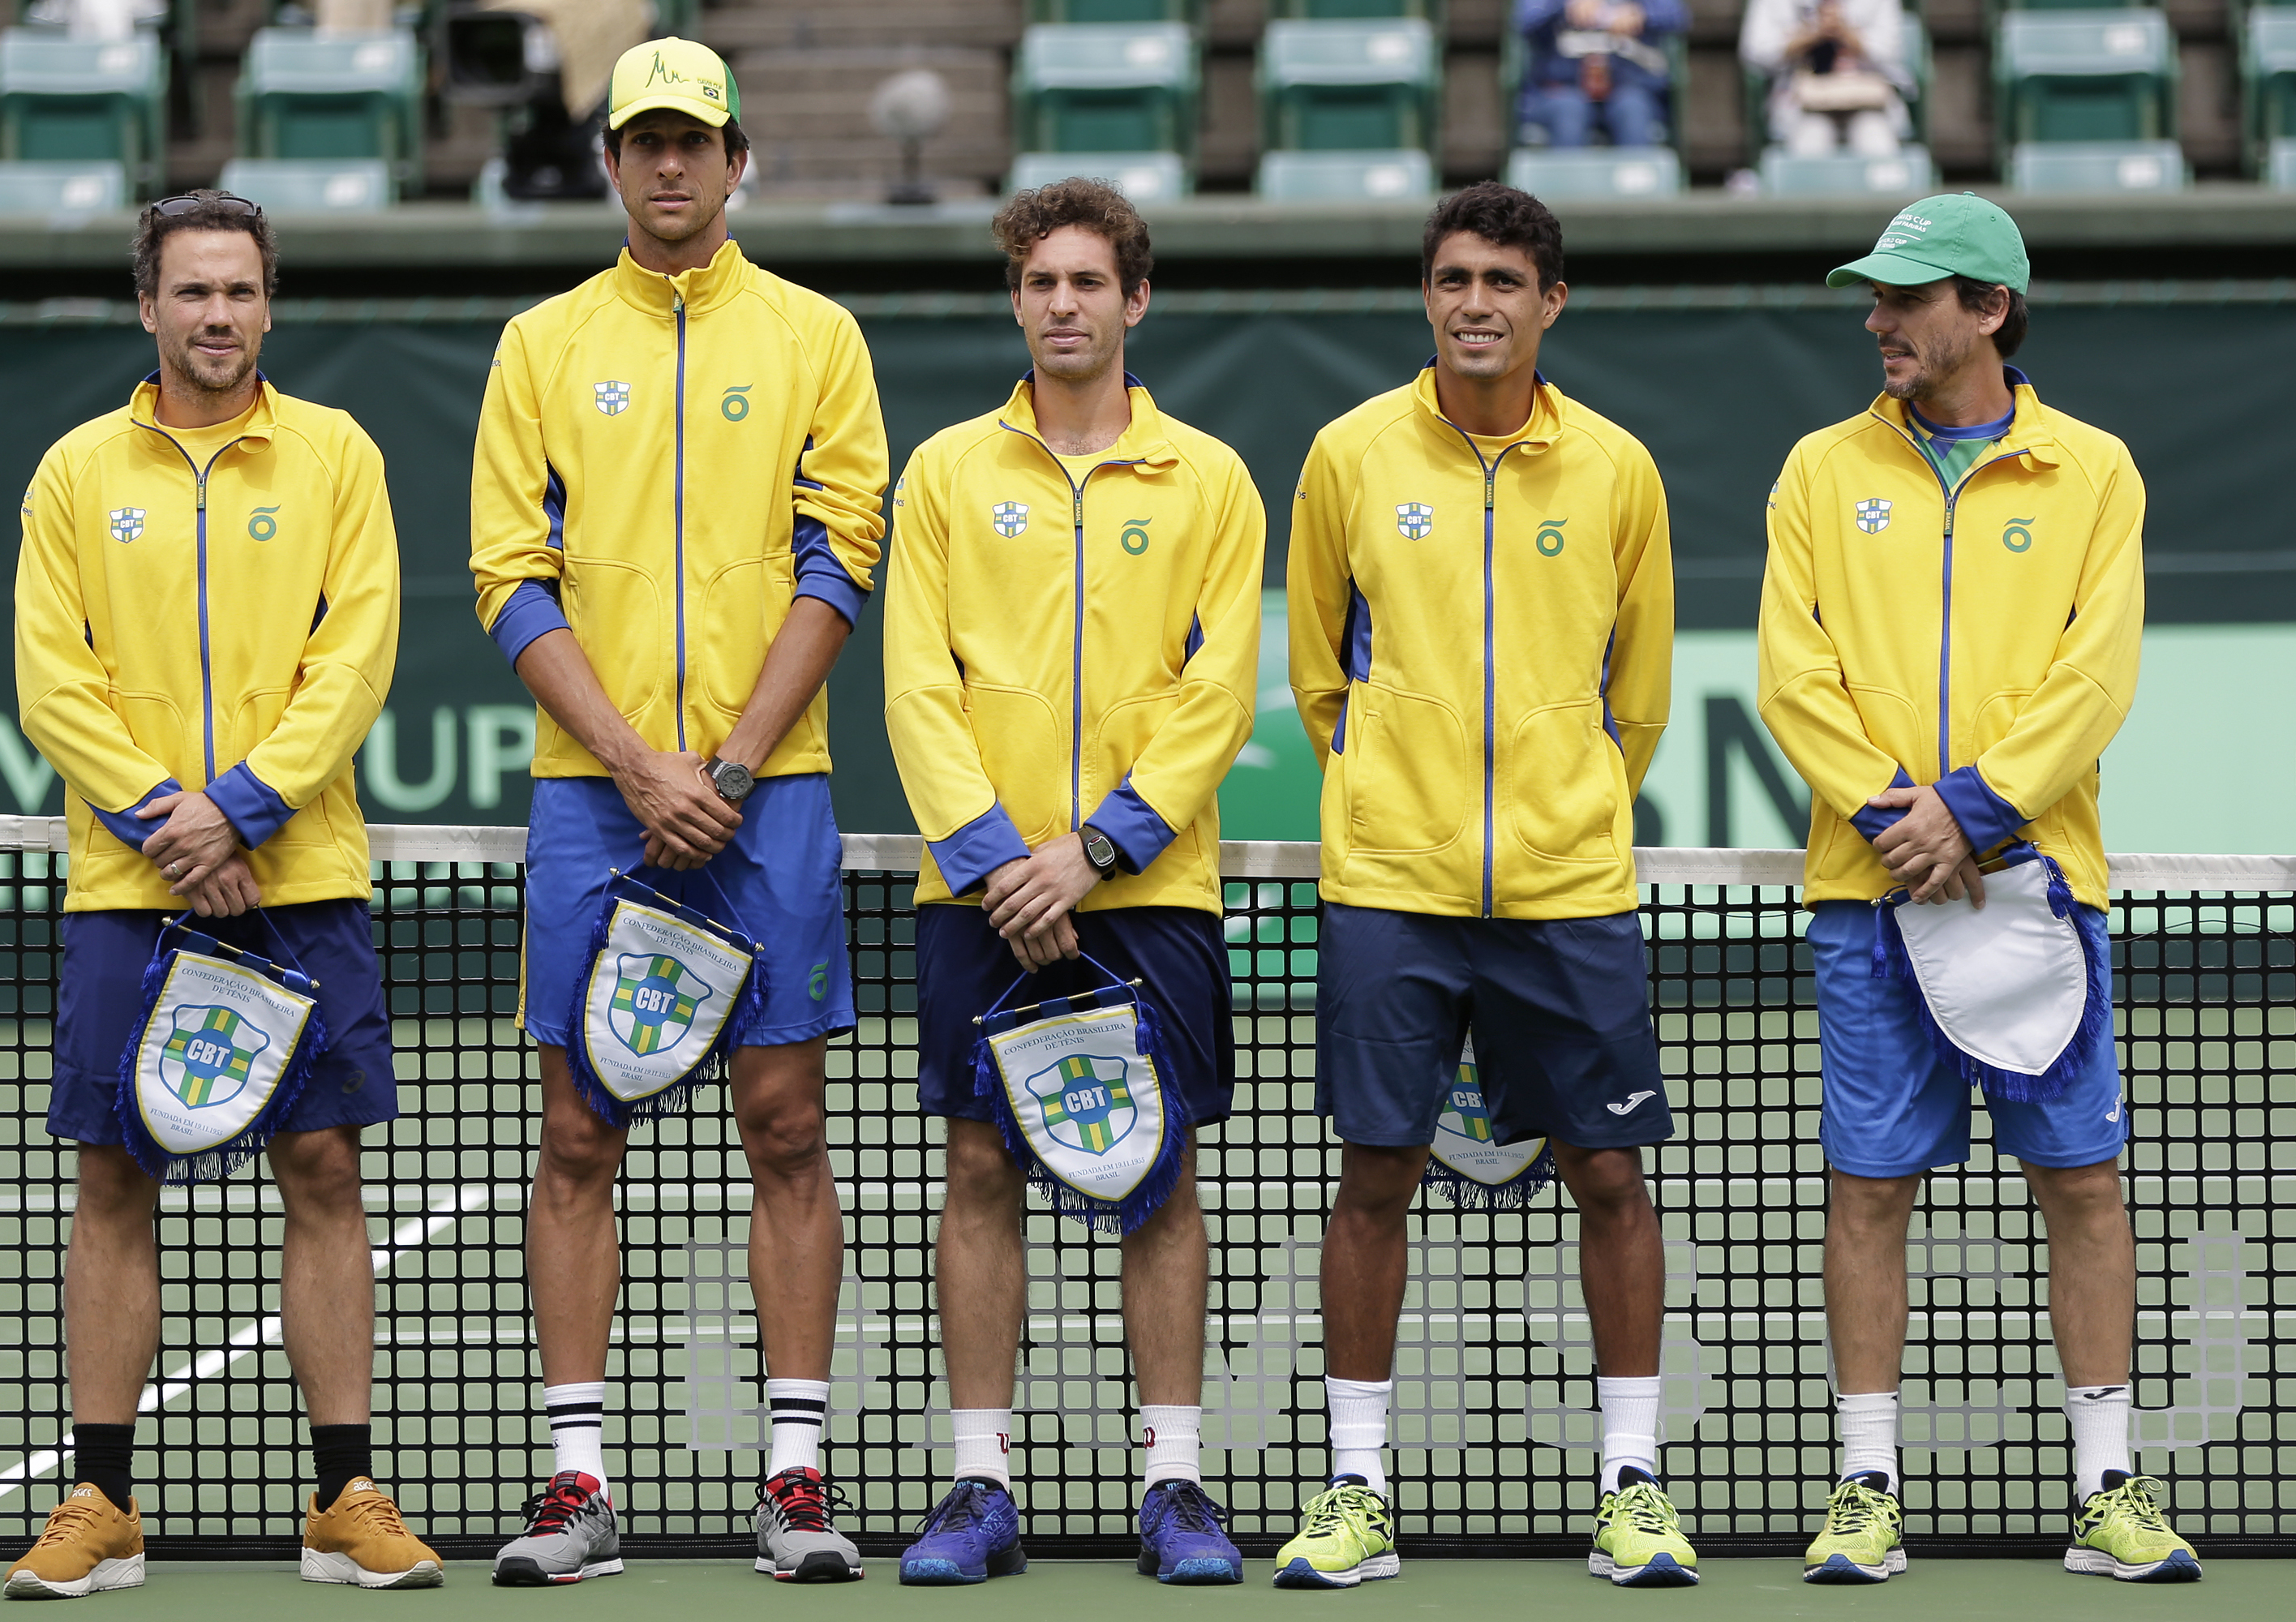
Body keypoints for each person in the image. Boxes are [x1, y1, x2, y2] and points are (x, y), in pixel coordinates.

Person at [468, 35, 887, 1586]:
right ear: (609, 163)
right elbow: (510, 578)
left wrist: (724, 767)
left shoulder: (818, 339)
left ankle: (793, 1481)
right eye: (640, 140)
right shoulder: (540, 346)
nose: (665, 165)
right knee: (579, 1128)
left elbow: (844, 556)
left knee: (787, 1124)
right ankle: (577, 1486)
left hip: (769, 798)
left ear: (734, 158)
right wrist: (642, 768)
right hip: (595, 800)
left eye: (690, 141)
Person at [1757, 194, 2200, 1586]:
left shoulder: (2098, 473)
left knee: (2082, 1184)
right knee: (1868, 1188)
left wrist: (1979, 810)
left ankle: (2107, 1488)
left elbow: (2097, 673)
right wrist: (1911, 821)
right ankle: (1867, 1489)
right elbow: (1796, 674)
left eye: (1906, 298)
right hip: (1871, 887)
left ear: (1989, 312)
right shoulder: (1819, 472)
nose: (1877, 321)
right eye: (1873, 298)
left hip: (2040, 891)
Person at [7, 191, 430, 1596]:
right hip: (130, 882)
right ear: (148, 307)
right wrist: (167, 823)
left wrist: (241, 810)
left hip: (297, 871)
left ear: (270, 304)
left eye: (241, 292)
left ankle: (343, 1498)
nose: (217, 316)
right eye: (192, 293)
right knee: (115, 1174)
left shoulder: (338, 456)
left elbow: (355, 653)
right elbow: (50, 678)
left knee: (322, 1169)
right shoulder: (74, 471)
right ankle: (103, 1503)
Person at [1284, 181, 1685, 1590]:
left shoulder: (1619, 470)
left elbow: (1639, 693)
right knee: (1373, 1175)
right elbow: (1320, 676)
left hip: (1569, 890)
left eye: (1504, 282)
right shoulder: (1345, 454)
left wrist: (1564, 800)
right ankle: (1355, 1489)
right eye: (1453, 278)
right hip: (1392, 883)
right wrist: (1397, 797)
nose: (1475, 304)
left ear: (1550, 303)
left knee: (1612, 1174)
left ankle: (1632, 1483)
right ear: (1427, 294)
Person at [882, 178, 1263, 1588]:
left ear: (1134, 301)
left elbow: (1218, 691)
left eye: (1087, 282)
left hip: (1146, 886)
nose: (1062, 304)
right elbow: (916, 687)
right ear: (1017, 299)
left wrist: (1096, 849)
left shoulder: (1212, 480)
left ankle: (1175, 1485)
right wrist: (1000, 864)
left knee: (1158, 1176)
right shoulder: (939, 476)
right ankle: (979, 1487)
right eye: (1041, 282)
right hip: (981, 895)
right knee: (980, 1166)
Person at [1740, 0, 1913, 161]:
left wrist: (1847, 33)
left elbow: (1892, 51)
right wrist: (1808, 36)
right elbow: (1755, 53)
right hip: (1801, 105)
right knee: (1809, 148)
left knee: (1878, 147)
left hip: (1870, 102)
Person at [1518, 0, 1685, 150]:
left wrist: (1640, 13)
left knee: (1632, 111)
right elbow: (1523, 19)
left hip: (1630, 87)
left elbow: (1677, 16)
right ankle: (1567, 183)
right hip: (1561, 90)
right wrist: (1566, 6)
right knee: (1569, 112)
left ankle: (1636, 183)